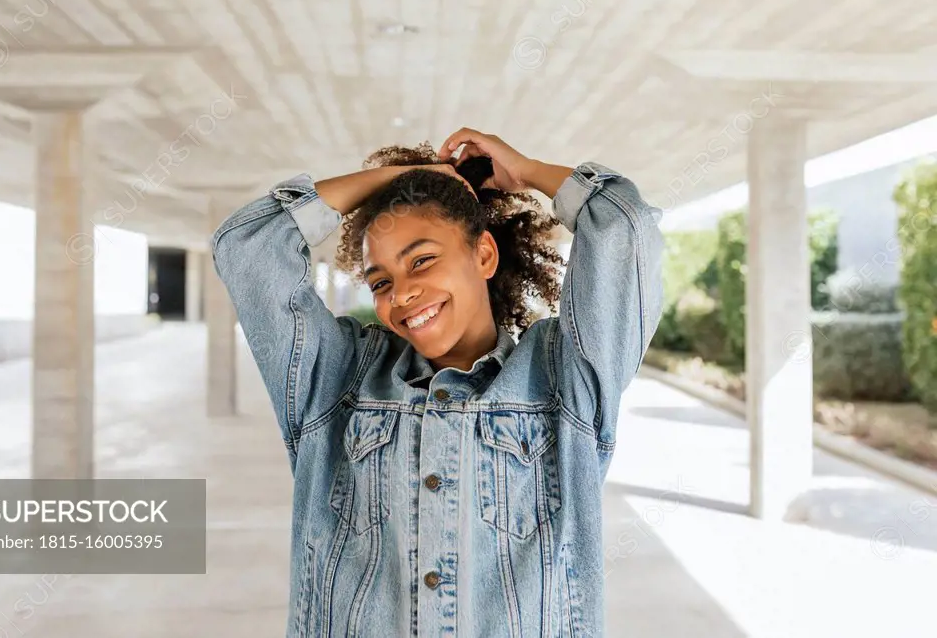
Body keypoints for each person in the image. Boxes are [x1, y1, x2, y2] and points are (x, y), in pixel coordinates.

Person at [211, 128, 664, 637]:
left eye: (421, 260)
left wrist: (527, 171)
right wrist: (402, 177)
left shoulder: (565, 379)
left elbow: (624, 226)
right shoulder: (338, 381)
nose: (402, 294)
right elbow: (247, 246)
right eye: (381, 281)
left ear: (484, 255)